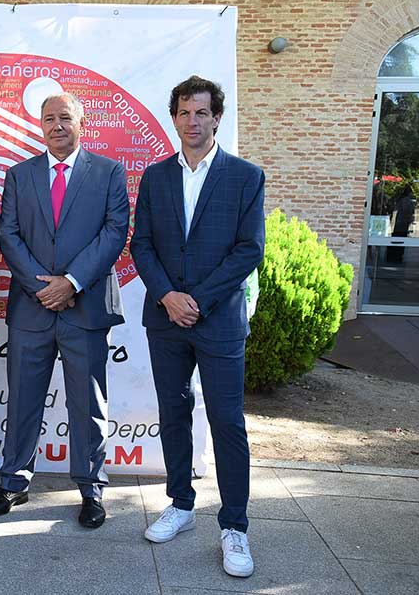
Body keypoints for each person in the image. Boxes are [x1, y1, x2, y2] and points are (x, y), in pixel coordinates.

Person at [130, 76, 265, 577]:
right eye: (184, 112)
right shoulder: (156, 175)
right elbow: (141, 242)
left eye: (202, 113)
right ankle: (181, 505)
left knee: (228, 422)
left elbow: (249, 249)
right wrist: (167, 296)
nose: (193, 121)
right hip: (165, 318)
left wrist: (196, 300)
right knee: (173, 411)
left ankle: (234, 527)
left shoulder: (245, 176)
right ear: (175, 117)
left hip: (218, 319)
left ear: (216, 118)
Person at [0, 92, 129, 529]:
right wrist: (43, 287)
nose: (57, 125)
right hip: (32, 308)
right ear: (40, 125)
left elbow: (115, 231)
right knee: (23, 399)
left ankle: (90, 489)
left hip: (85, 309)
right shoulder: (20, 175)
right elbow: (9, 235)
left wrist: (71, 283)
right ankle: (12, 482)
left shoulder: (108, 172)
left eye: (66, 117)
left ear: (82, 122)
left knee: (88, 404)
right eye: (49, 119)